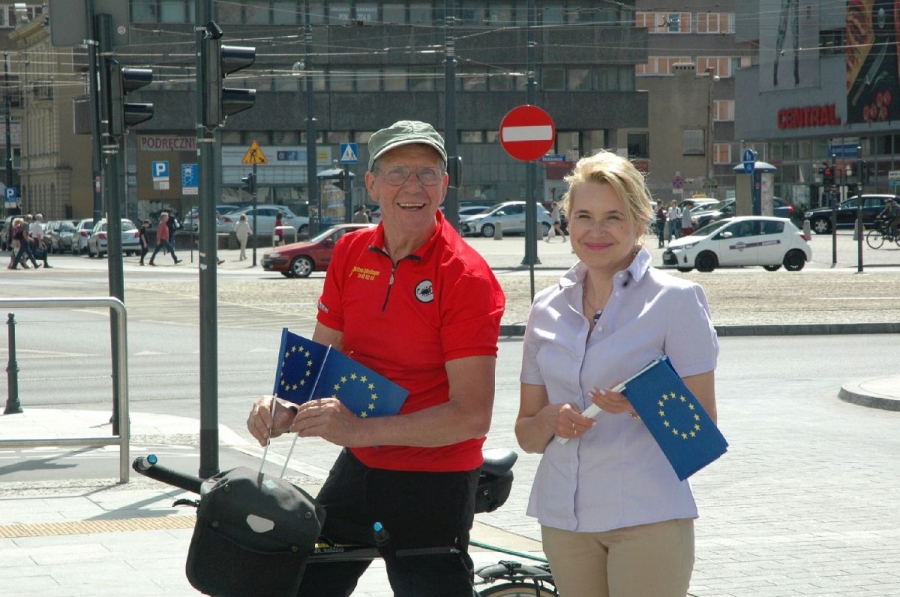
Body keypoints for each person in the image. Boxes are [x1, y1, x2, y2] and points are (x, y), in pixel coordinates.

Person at [246, 120, 506, 596]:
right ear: (371, 184)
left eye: (427, 173)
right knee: (301, 586)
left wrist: (359, 431)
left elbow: (472, 415)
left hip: (435, 477)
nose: (413, 186)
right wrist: (283, 407)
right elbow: (321, 360)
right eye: (397, 172)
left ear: (444, 185)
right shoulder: (350, 252)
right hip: (361, 464)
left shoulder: (464, 275)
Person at [515, 150, 718, 597]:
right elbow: (527, 436)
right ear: (567, 221)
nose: (596, 230)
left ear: (641, 221)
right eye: (583, 216)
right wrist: (549, 420)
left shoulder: (677, 301)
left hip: (647, 516)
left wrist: (640, 406)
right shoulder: (545, 308)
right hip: (565, 520)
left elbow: (703, 427)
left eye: (613, 217)